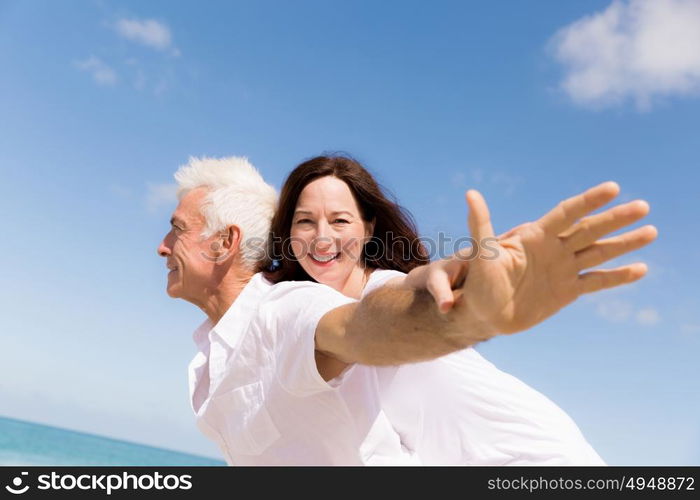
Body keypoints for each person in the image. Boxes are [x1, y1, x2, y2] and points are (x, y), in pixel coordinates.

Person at [158, 155, 656, 465]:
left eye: (339, 219)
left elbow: (406, 301)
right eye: (305, 221)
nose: (323, 236)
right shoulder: (295, 318)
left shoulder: (380, 289)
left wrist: (469, 298)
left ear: (370, 229)